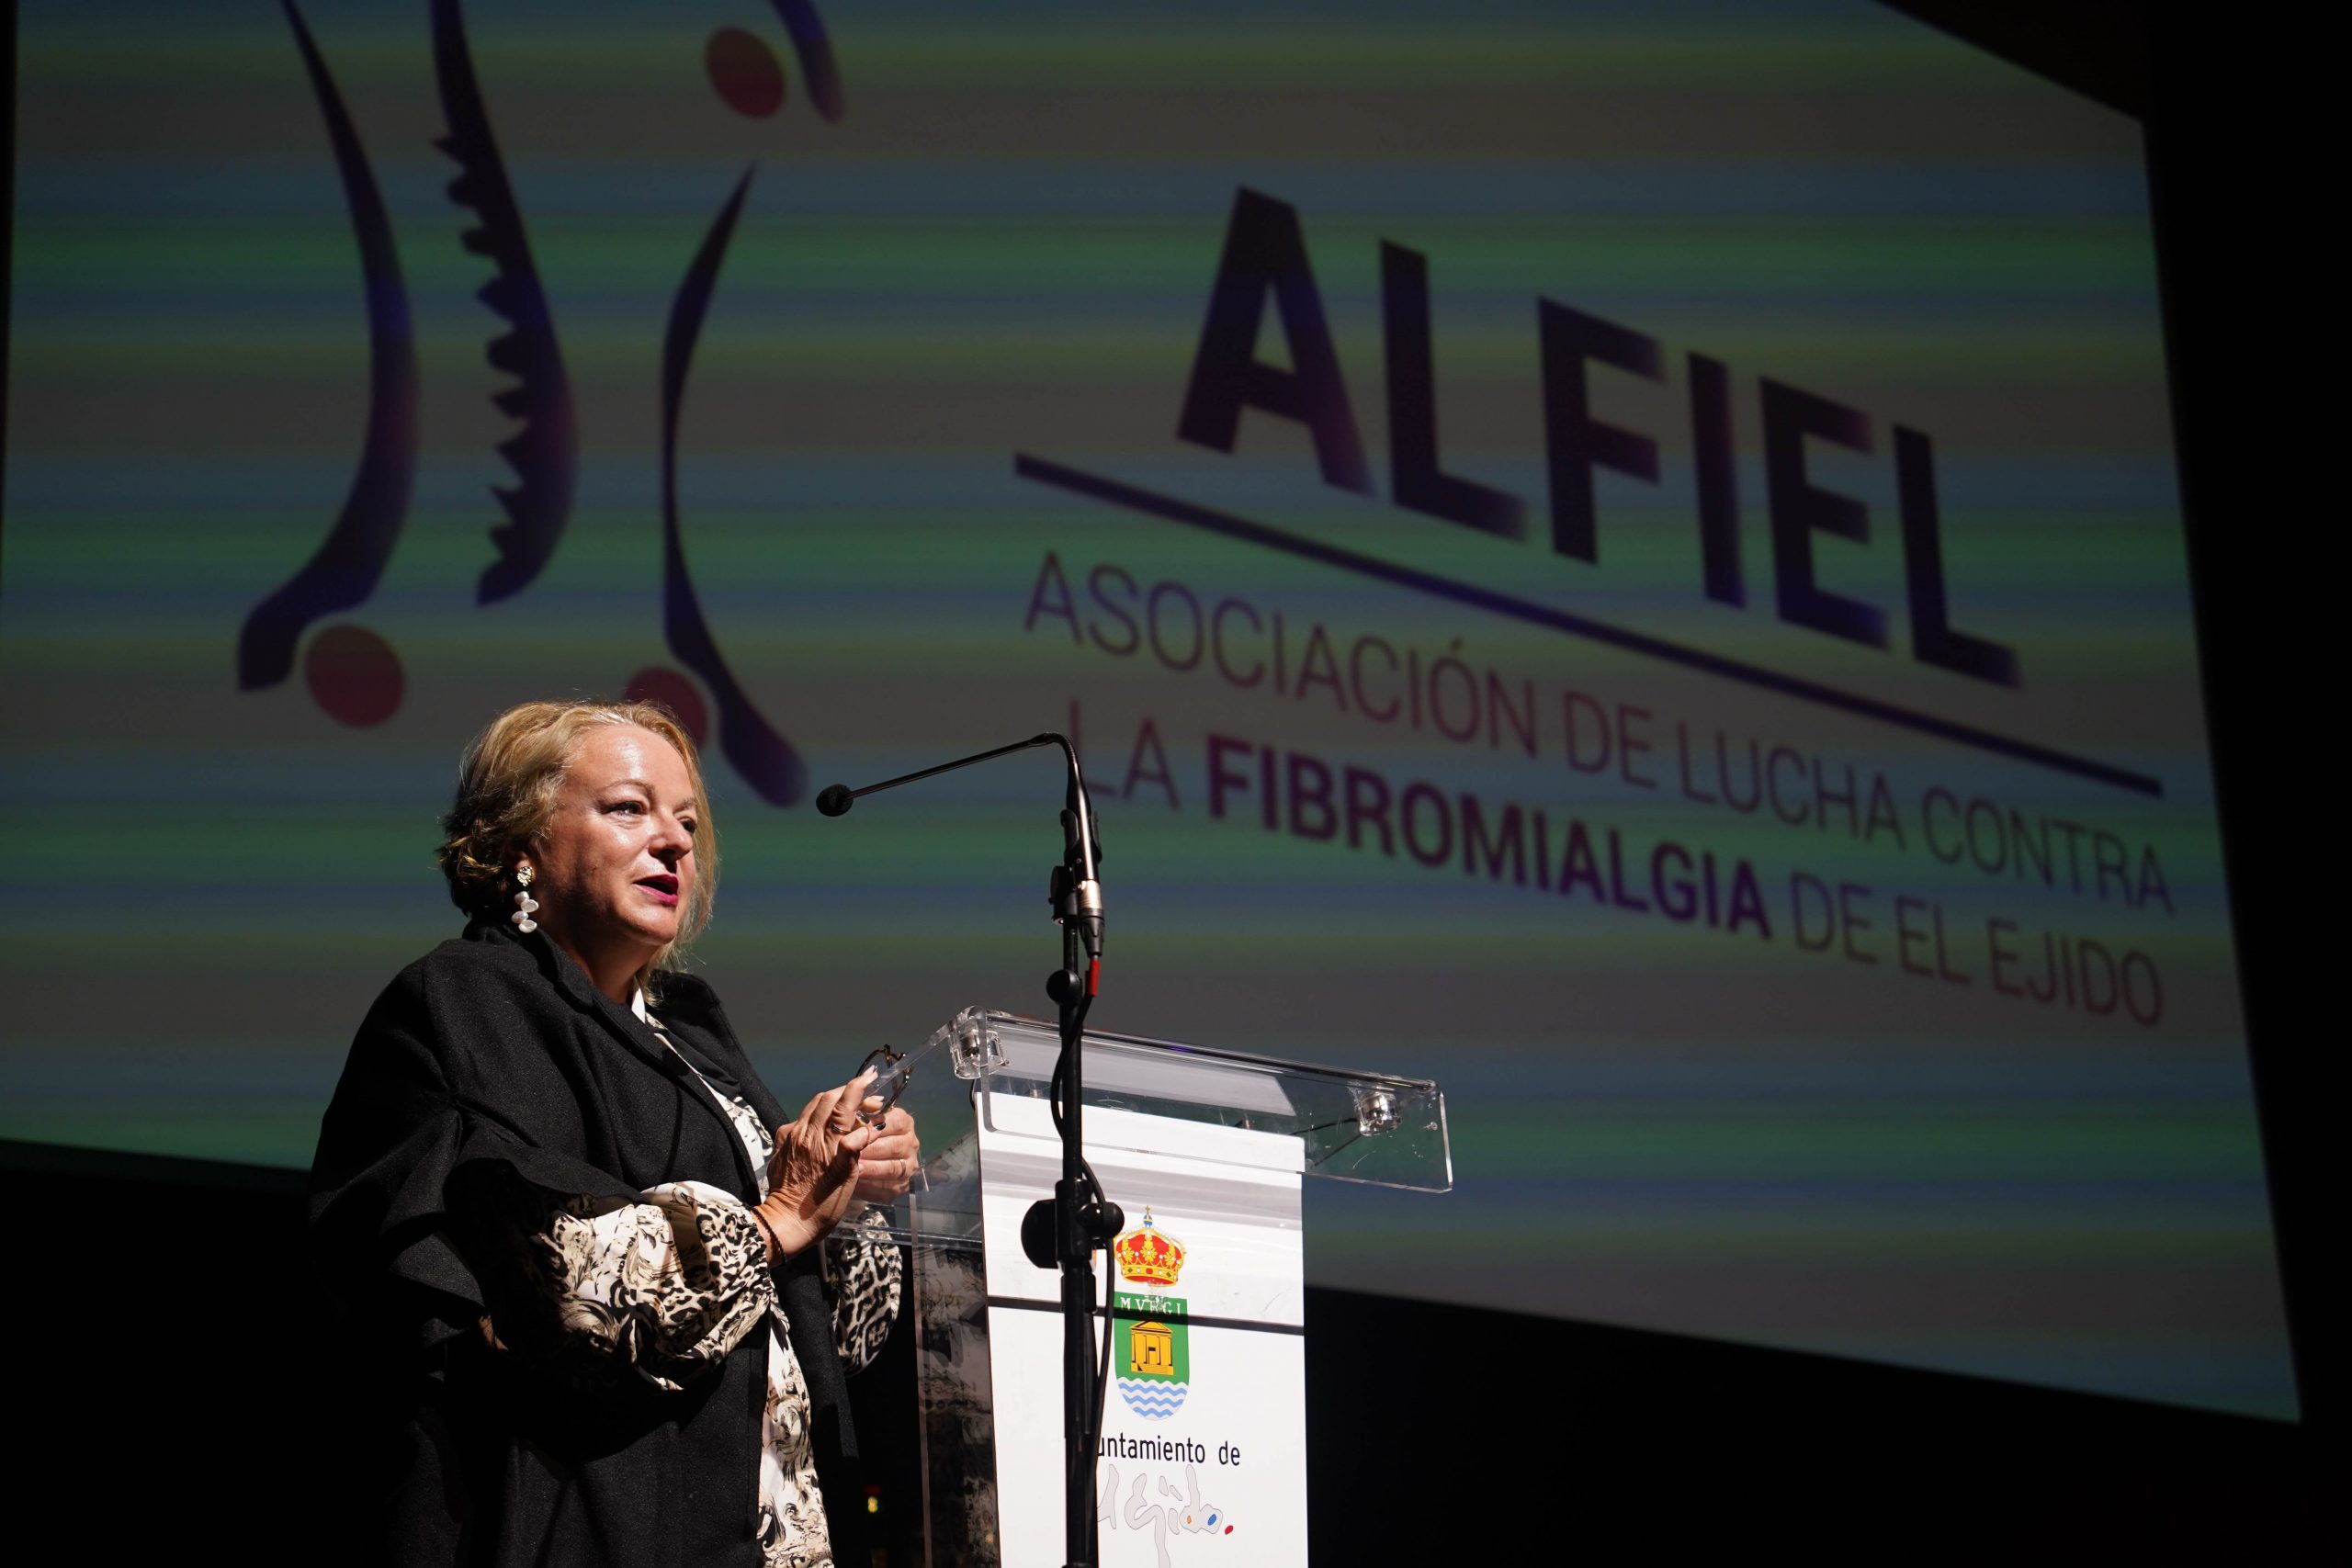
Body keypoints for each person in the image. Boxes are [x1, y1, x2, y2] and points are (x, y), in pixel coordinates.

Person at [310, 698, 918, 1568]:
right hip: (569, 1519)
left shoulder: (697, 1042)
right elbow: (564, 1281)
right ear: (519, 845)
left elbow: (812, 1336)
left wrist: (845, 1192)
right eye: (630, 807)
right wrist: (782, 1214)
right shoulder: (467, 999)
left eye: (688, 821)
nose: (674, 842)